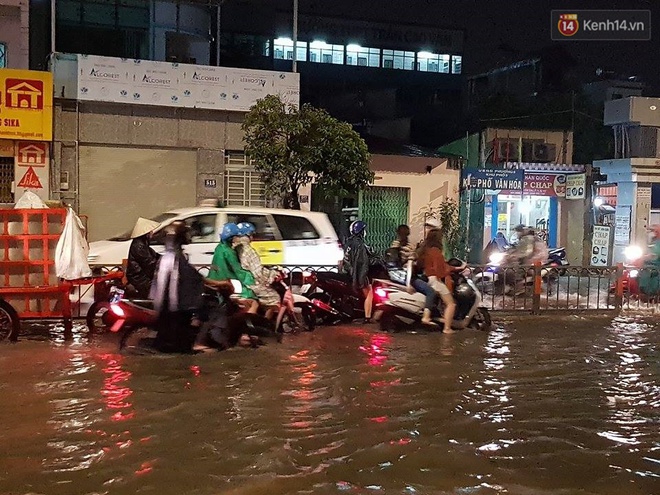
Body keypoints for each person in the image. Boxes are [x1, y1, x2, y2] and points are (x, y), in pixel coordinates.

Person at [149, 221, 205, 353]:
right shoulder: (173, 258)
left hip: (168, 301)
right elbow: (180, 279)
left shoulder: (172, 256)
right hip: (173, 302)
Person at [233, 222, 298, 331]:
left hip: (242, 281)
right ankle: (266, 326)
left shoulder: (238, 248)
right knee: (275, 298)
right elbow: (258, 273)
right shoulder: (249, 250)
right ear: (249, 235)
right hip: (251, 283)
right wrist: (272, 275)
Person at [208, 223, 259, 313]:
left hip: (214, 279)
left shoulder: (219, 247)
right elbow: (238, 271)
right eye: (237, 236)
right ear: (232, 237)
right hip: (227, 283)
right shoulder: (229, 252)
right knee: (254, 302)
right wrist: (251, 278)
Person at [420, 228, 456, 334]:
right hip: (435, 280)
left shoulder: (425, 251)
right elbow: (440, 270)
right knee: (451, 304)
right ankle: (447, 328)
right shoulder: (436, 252)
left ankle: (440, 319)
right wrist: (450, 270)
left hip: (427, 279)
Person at [342, 220, 374, 323]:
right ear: (361, 231)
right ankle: (367, 317)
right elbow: (362, 263)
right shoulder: (359, 245)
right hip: (358, 274)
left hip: (348, 273)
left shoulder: (348, 242)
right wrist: (361, 279)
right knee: (369, 293)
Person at [126, 217, 160, 298]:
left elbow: (154, 255)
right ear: (146, 233)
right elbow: (149, 263)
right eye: (150, 231)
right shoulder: (139, 246)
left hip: (142, 276)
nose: (152, 233)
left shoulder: (143, 244)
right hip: (139, 278)